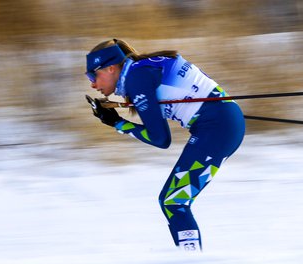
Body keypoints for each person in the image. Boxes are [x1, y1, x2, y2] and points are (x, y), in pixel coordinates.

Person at [85, 39, 245, 251]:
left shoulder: (137, 77)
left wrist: (118, 122)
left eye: (93, 75)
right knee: (173, 200)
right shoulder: (142, 69)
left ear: (111, 67)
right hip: (223, 122)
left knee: (174, 201)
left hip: (217, 128)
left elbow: (161, 139)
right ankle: (193, 260)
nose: (93, 84)